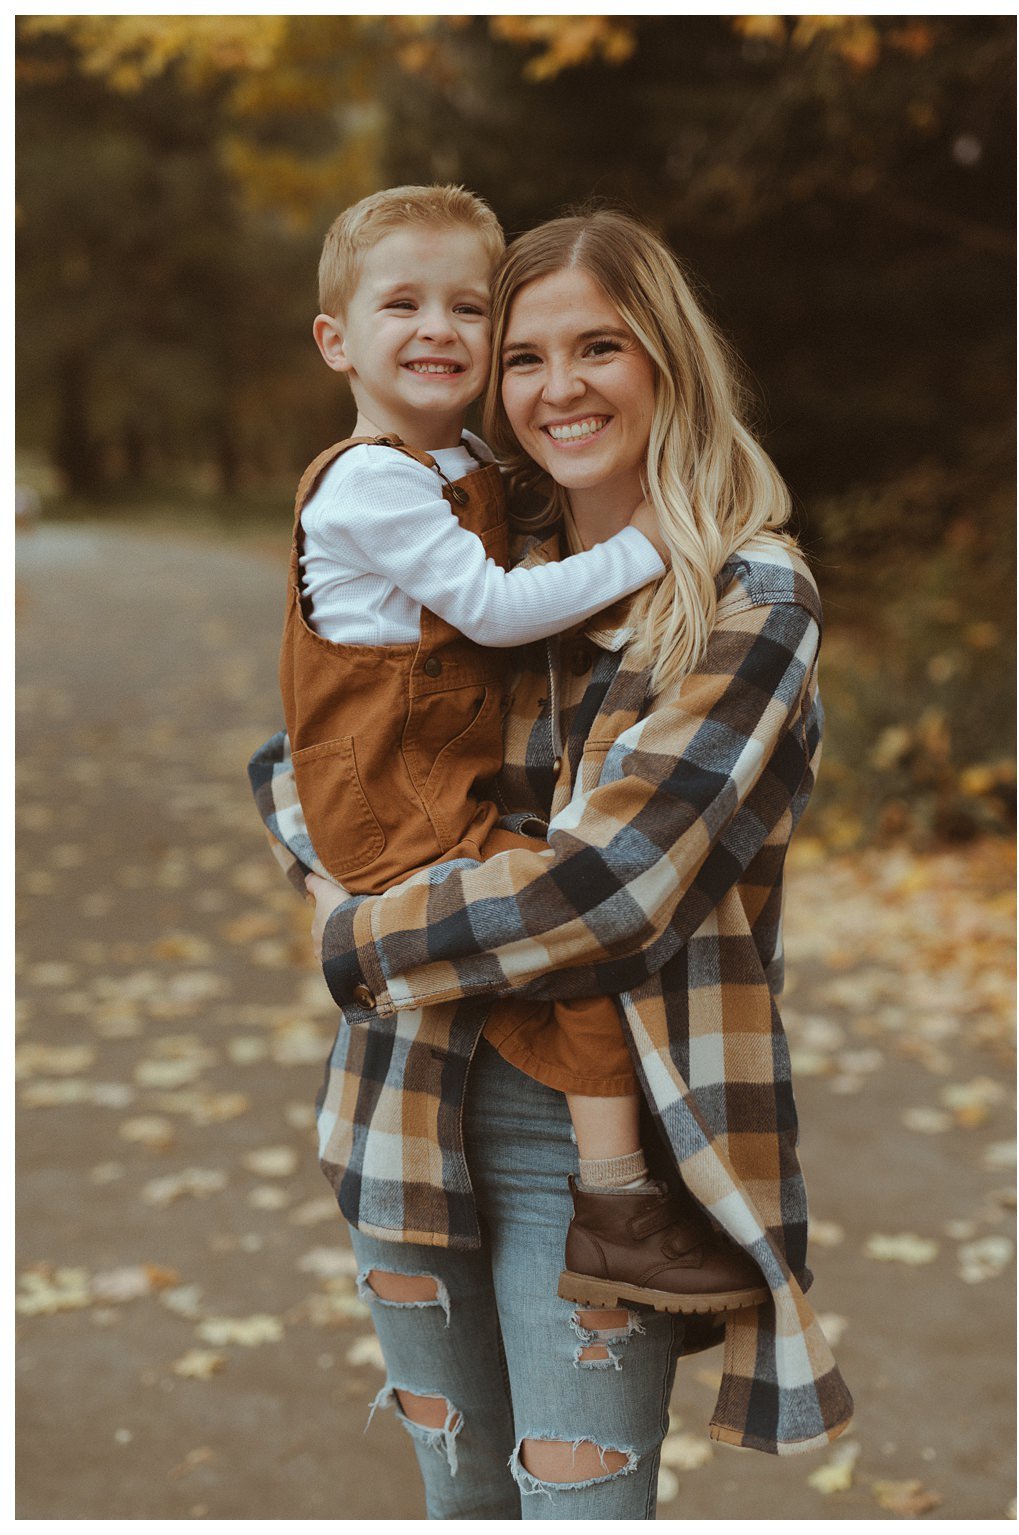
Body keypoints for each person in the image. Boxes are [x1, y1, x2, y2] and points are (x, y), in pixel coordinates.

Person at [250, 206, 851, 1516]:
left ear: (668, 363)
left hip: (594, 1146)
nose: (560, 386)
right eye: (526, 355)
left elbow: (609, 893)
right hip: (401, 1100)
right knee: (463, 1501)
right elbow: (298, 748)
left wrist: (354, 932)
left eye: (601, 347)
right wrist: (327, 867)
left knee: (580, 1505)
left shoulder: (749, 597)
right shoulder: (476, 544)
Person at [285, 183, 763, 1319]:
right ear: (335, 341)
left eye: (464, 307)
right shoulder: (372, 482)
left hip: (421, 840)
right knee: (568, 968)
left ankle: (608, 1202)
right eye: (402, 303)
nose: (439, 328)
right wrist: (647, 543)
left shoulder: (479, 485)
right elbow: (490, 617)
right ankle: (617, 1202)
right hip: (397, 825)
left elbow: (603, 886)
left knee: (569, 945)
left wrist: (345, 918)